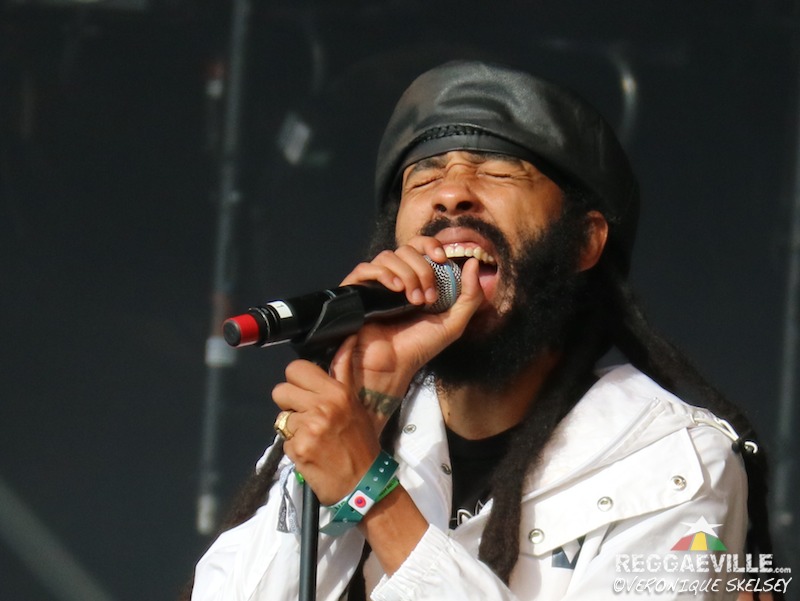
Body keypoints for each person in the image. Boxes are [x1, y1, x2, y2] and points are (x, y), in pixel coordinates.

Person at [186, 60, 777, 600]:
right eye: (423, 179)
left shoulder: (673, 460)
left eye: (498, 171)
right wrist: (366, 402)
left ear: (584, 241)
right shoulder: (354, 423)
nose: (451, 194)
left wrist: (371, 491)